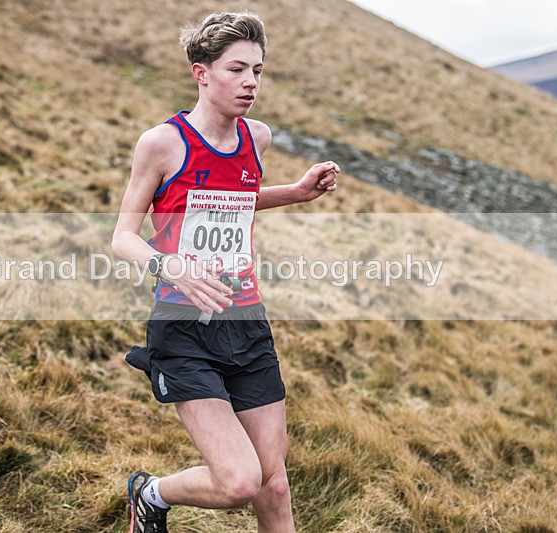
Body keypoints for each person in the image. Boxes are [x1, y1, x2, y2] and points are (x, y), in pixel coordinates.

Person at [111, 11, 339, 533]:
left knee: (274, 484)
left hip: (247, 322)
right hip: (184, 328)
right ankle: (151, 493)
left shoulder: (257, 138)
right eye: (237, 69)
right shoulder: (162, 144)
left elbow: (232, 199)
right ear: (202, 73)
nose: (251, 83)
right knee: (240, 483)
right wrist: (173, 268)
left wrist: (295, 192)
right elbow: (123, 236)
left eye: (258, 70)